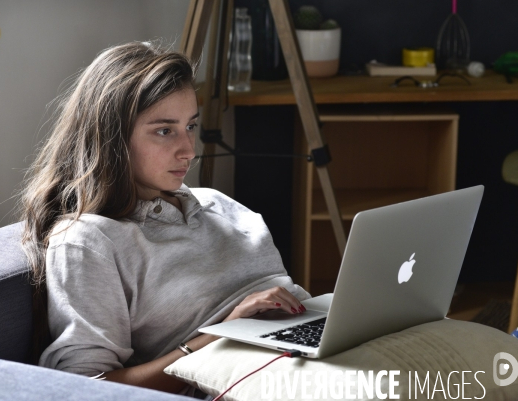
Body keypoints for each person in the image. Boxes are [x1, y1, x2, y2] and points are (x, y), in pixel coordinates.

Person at [19, 41, 310, 394]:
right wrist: (223, 336)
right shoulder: (89, 241)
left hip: (305, 358)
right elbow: (89, 387)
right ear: (113, 138)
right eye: (164, 130)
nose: (189, 150)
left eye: (190, 126)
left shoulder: (218, 204)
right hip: (253, 383)